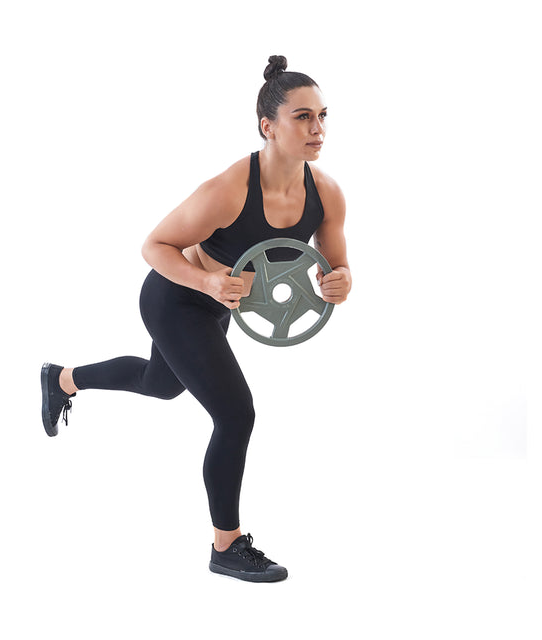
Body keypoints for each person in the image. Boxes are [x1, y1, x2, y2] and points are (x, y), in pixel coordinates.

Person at [40, 55, 351, 582]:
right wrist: (207, 281)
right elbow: (153, 245)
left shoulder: (326, 194)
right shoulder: (230, 188)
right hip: (175, 298)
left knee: (159, 384)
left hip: (215, 306)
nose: (317, 128)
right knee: (236, 414)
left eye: (323, 115)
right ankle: (226, 546)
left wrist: (341, 283)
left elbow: (336, 268)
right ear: (267, 127)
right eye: (303, 117)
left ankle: (62, 380)